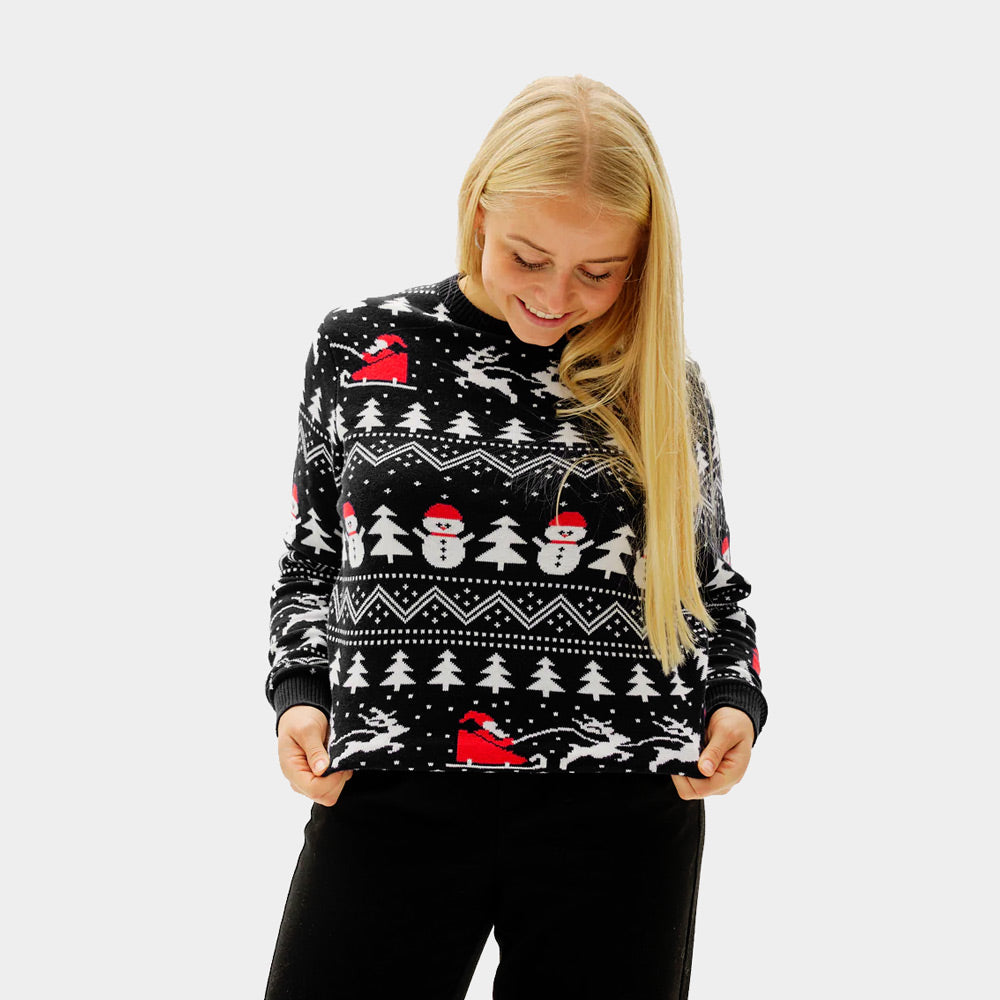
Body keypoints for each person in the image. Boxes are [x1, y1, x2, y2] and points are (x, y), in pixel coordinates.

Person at [263, 74, 767, 1000]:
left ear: (642, 260)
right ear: (479, 209)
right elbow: (312, 557)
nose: (555, 296)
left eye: (599, 272)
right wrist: (300, 693)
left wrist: (736, 699)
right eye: (528, 256)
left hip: (623, 805)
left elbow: (711, 586)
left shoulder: (664, 384)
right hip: (390, 780)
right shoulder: (359, 345)